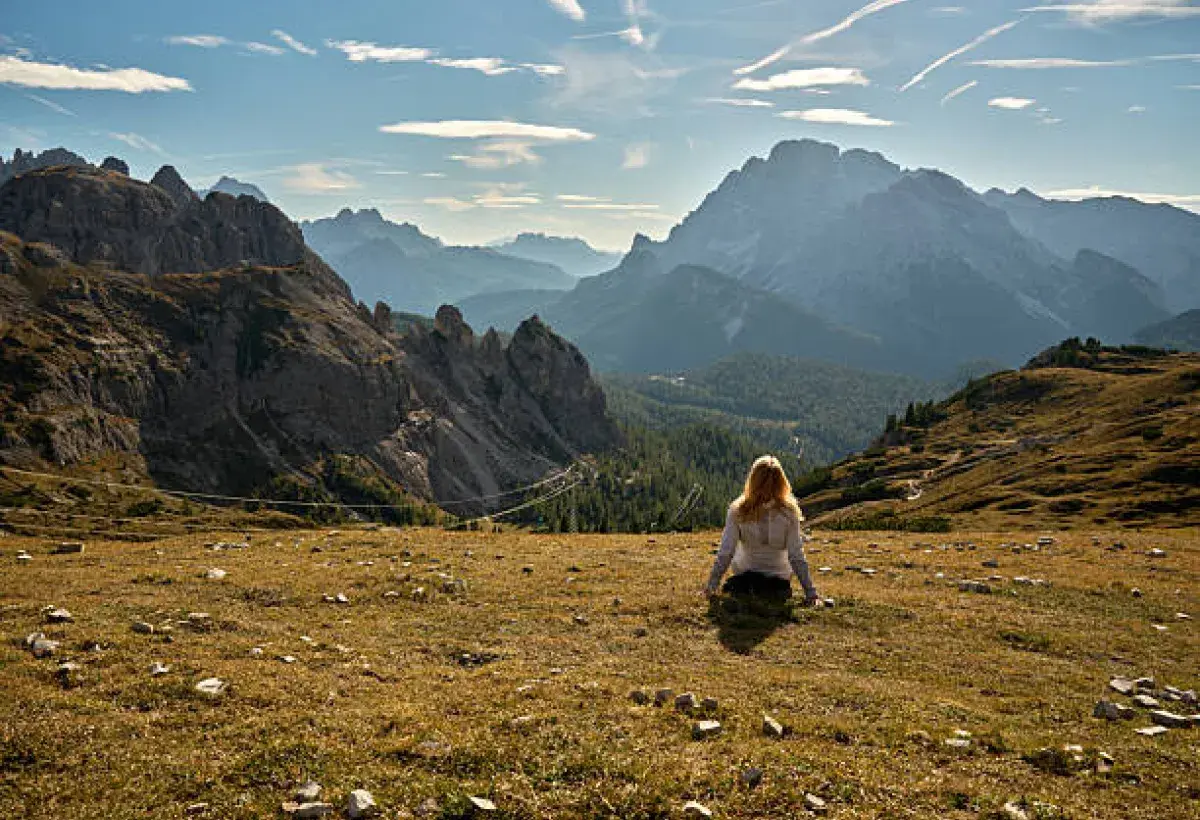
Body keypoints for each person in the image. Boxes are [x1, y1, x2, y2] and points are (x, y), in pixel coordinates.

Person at [704, 455, 820, 605]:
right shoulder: (789, 512)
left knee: (740, 592)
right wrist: (810, 593)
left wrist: (712, 585)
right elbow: (796, 556)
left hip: (744, 579)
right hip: (778, 581)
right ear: (782, 483)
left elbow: (726, 552)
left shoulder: (738, 510)